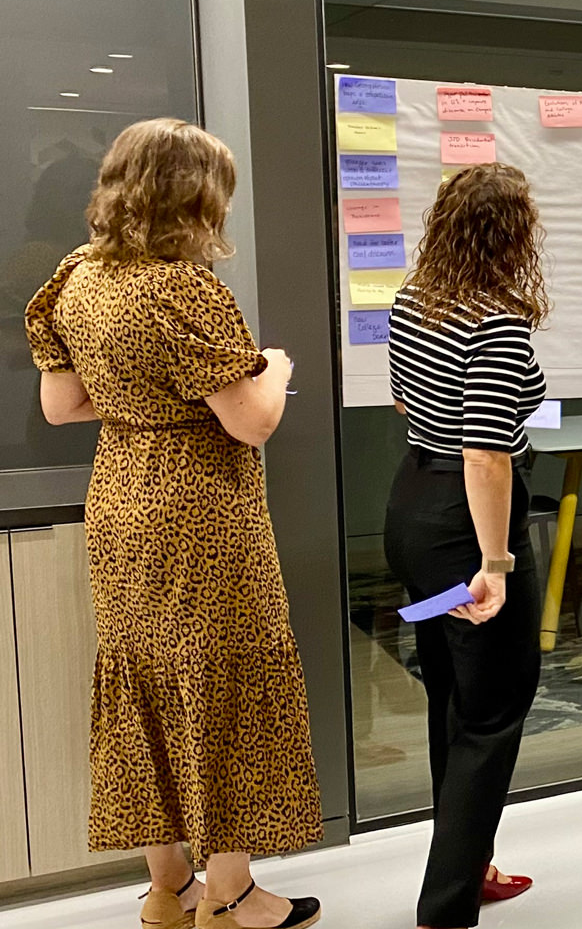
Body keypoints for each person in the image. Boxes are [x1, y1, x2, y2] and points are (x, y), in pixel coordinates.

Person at [23, 118, 322, 929]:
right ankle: (233, 892)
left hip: (119, 496)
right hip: (198, 505)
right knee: (214, 680)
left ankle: (168, 889)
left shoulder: (74, 280)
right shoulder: (178, 286)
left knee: (143, 678)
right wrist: (276, 366)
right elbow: (251, 421)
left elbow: (61, 406)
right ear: (192, 197)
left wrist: (139, 401)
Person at [383, 163, 548, 929]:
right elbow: (487, 452)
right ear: (513, 234)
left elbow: (404, 401)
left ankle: (467, 864)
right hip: (467, 521)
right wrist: (495, 564)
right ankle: (445, 908)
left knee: (453, 696)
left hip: (413, 504)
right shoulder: (496, 319)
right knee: (493, 710)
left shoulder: (414, 301)